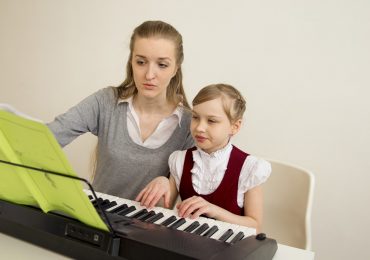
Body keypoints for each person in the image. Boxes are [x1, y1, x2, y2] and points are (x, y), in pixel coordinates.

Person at [47, 20, 194, 200]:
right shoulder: (106, 101)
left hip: (149, 227)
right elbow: (50, 136)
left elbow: (191, 189)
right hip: (97, 221)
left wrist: (169, 183)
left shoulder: (191, 124)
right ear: (131, 61)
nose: (149, 75)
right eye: (141, 62)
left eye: (162, 65)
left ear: (175, 68)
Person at [136, 83, 271, 232]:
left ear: (235, 126)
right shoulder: (179, 160)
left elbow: (255, 225)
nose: (199, 127)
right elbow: (164, 211)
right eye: (195, 117)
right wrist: (163, 182)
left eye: (211, 121)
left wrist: (215, 211)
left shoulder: (250, 167)